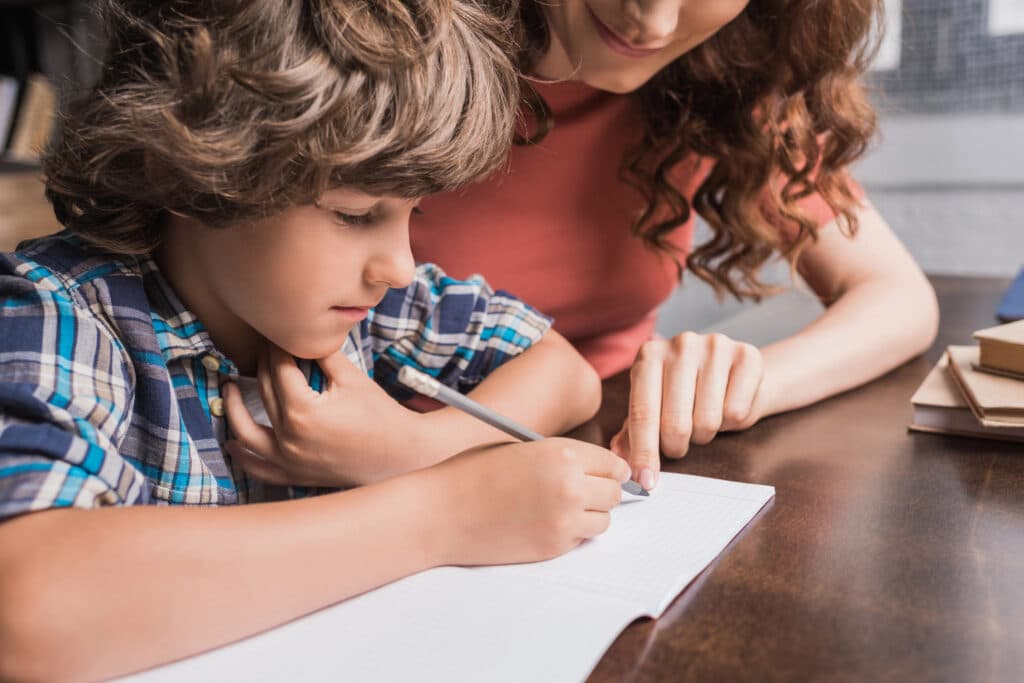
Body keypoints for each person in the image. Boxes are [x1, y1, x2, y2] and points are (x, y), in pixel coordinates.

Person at [0, 2, 630, 681]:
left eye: (412, 212)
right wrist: (442, 511)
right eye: (355, 213)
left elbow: (565, 371)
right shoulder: (61, 313)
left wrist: (414, 450)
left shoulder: (366, 306)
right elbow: (28, 605)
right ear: (195, 166)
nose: (398, 265)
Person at [407, 0, 940, 491]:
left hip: (605, 449)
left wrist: (746, 383)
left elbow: (898, 296)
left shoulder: (723, 74)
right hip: (394, 464)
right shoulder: (384, 57)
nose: (654, 24)